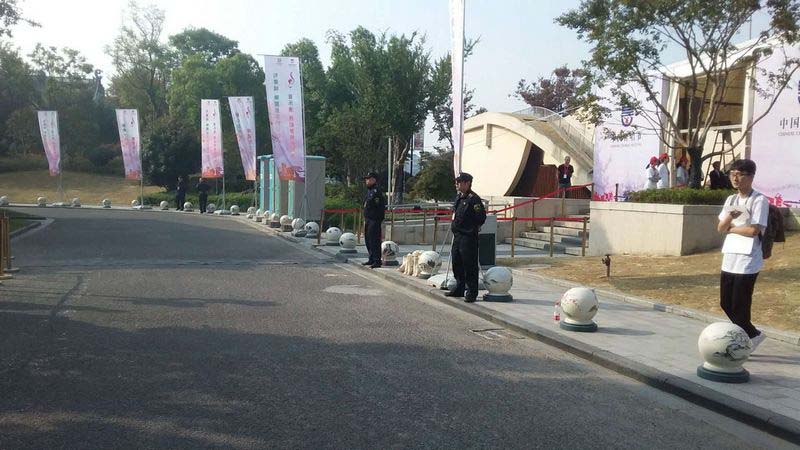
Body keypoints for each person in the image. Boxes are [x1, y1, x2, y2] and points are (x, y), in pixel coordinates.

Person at [717, 159, 768, 351]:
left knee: (740, 303)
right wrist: (731, 218)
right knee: (726, 302)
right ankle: (752, 334)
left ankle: (748, 337)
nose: (735, 178)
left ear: (751, 177)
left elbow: (753, 230)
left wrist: (731, 228)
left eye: (740, 174)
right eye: (732, 174)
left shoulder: (759, 200)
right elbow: (720, 227)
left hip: (748, 259)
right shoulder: (731, 200)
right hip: (730, 255)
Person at [445, 172, 487, 303]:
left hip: (468, 237)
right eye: (456, 182)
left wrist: (473, 227)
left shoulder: (473, 199)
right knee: (457, 262)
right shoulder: (459, 197)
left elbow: (481, 217)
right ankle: (459, 288)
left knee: (469, 265)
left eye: (459, 182)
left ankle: (471, 292)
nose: (456, 184)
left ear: (467, 183)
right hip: (458, 235)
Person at [362, 172, 386, 269]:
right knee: (368, 240)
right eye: (366, 179)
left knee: (374, 240)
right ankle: (371, 258)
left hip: (374, 220)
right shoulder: (370, 191)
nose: (366, 181)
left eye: (368, 179)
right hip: (368, 219)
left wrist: (377, 219)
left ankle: (377, 260)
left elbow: (379, 207)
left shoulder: (376, 191)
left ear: (373, 180)